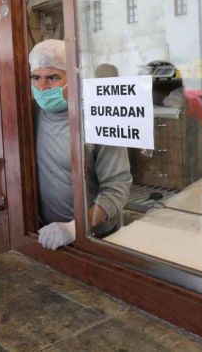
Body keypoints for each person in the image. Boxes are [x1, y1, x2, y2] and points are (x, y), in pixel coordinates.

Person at [30, 40, 131, 250]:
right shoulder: (30, 115)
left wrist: (76, 227)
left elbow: (117, 187)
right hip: (44, 234)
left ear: (74, 78)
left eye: (53, 77)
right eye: (36, 77)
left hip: (94, 237)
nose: (42, 87)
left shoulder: (99, 118)